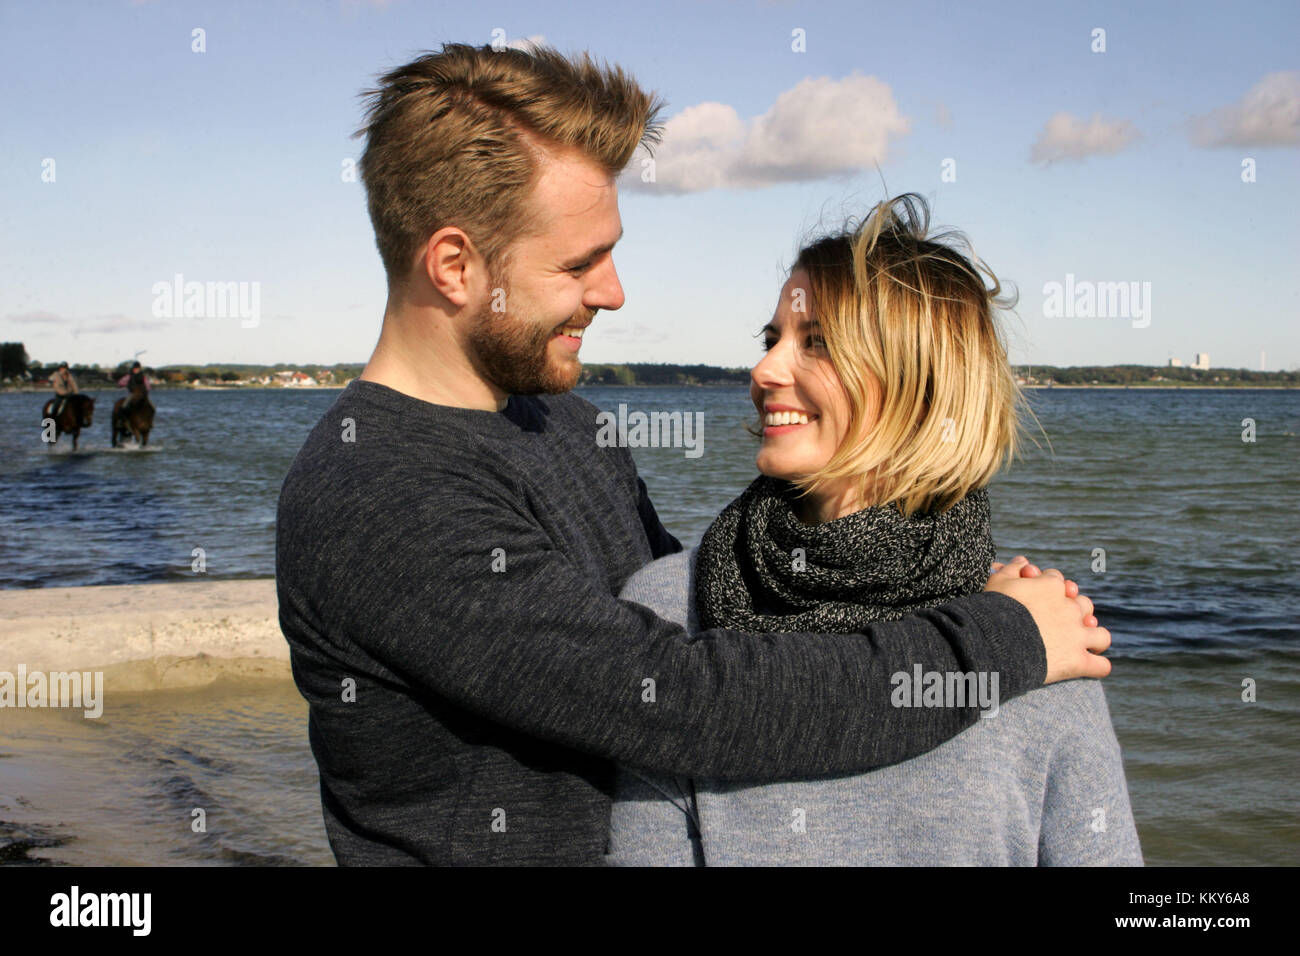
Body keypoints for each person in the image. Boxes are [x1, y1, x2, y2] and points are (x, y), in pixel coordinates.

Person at [275, 42, 1110, 866]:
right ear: (455, 266)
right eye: (579, 262)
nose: (614, 290)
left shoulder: (565, 425)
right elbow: (685, 700)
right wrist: (998, 643)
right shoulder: (374, 494)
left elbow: (685, 614)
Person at [607, 194, 1141, 866]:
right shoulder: (669, 610)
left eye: (817, 342)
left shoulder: (1042, 635)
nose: (764, 370)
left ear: (920, 385)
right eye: (772, 339)